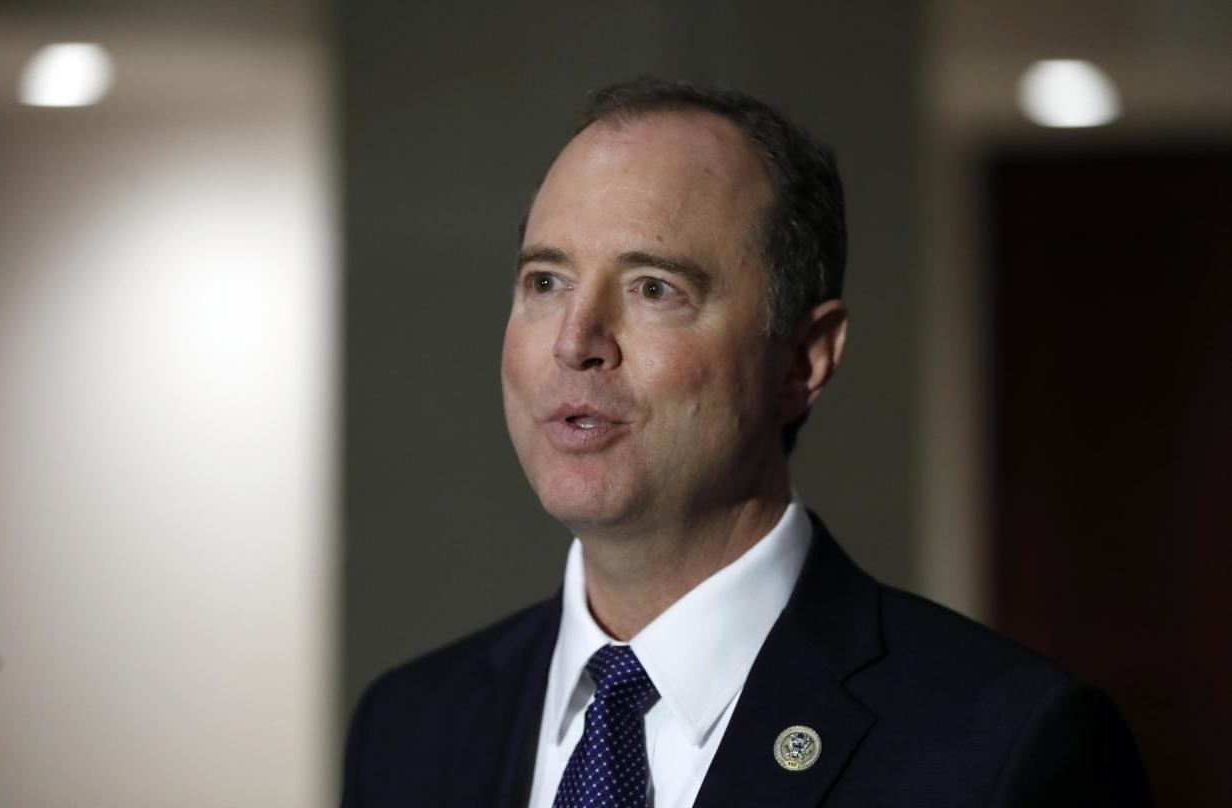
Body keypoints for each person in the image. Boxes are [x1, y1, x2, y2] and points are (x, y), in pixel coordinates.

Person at [340, 77, 1149, 808]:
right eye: (545, 282)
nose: (575, 341)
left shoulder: (1007, 747)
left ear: (804, 358)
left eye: (654, 289)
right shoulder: (411, 728)